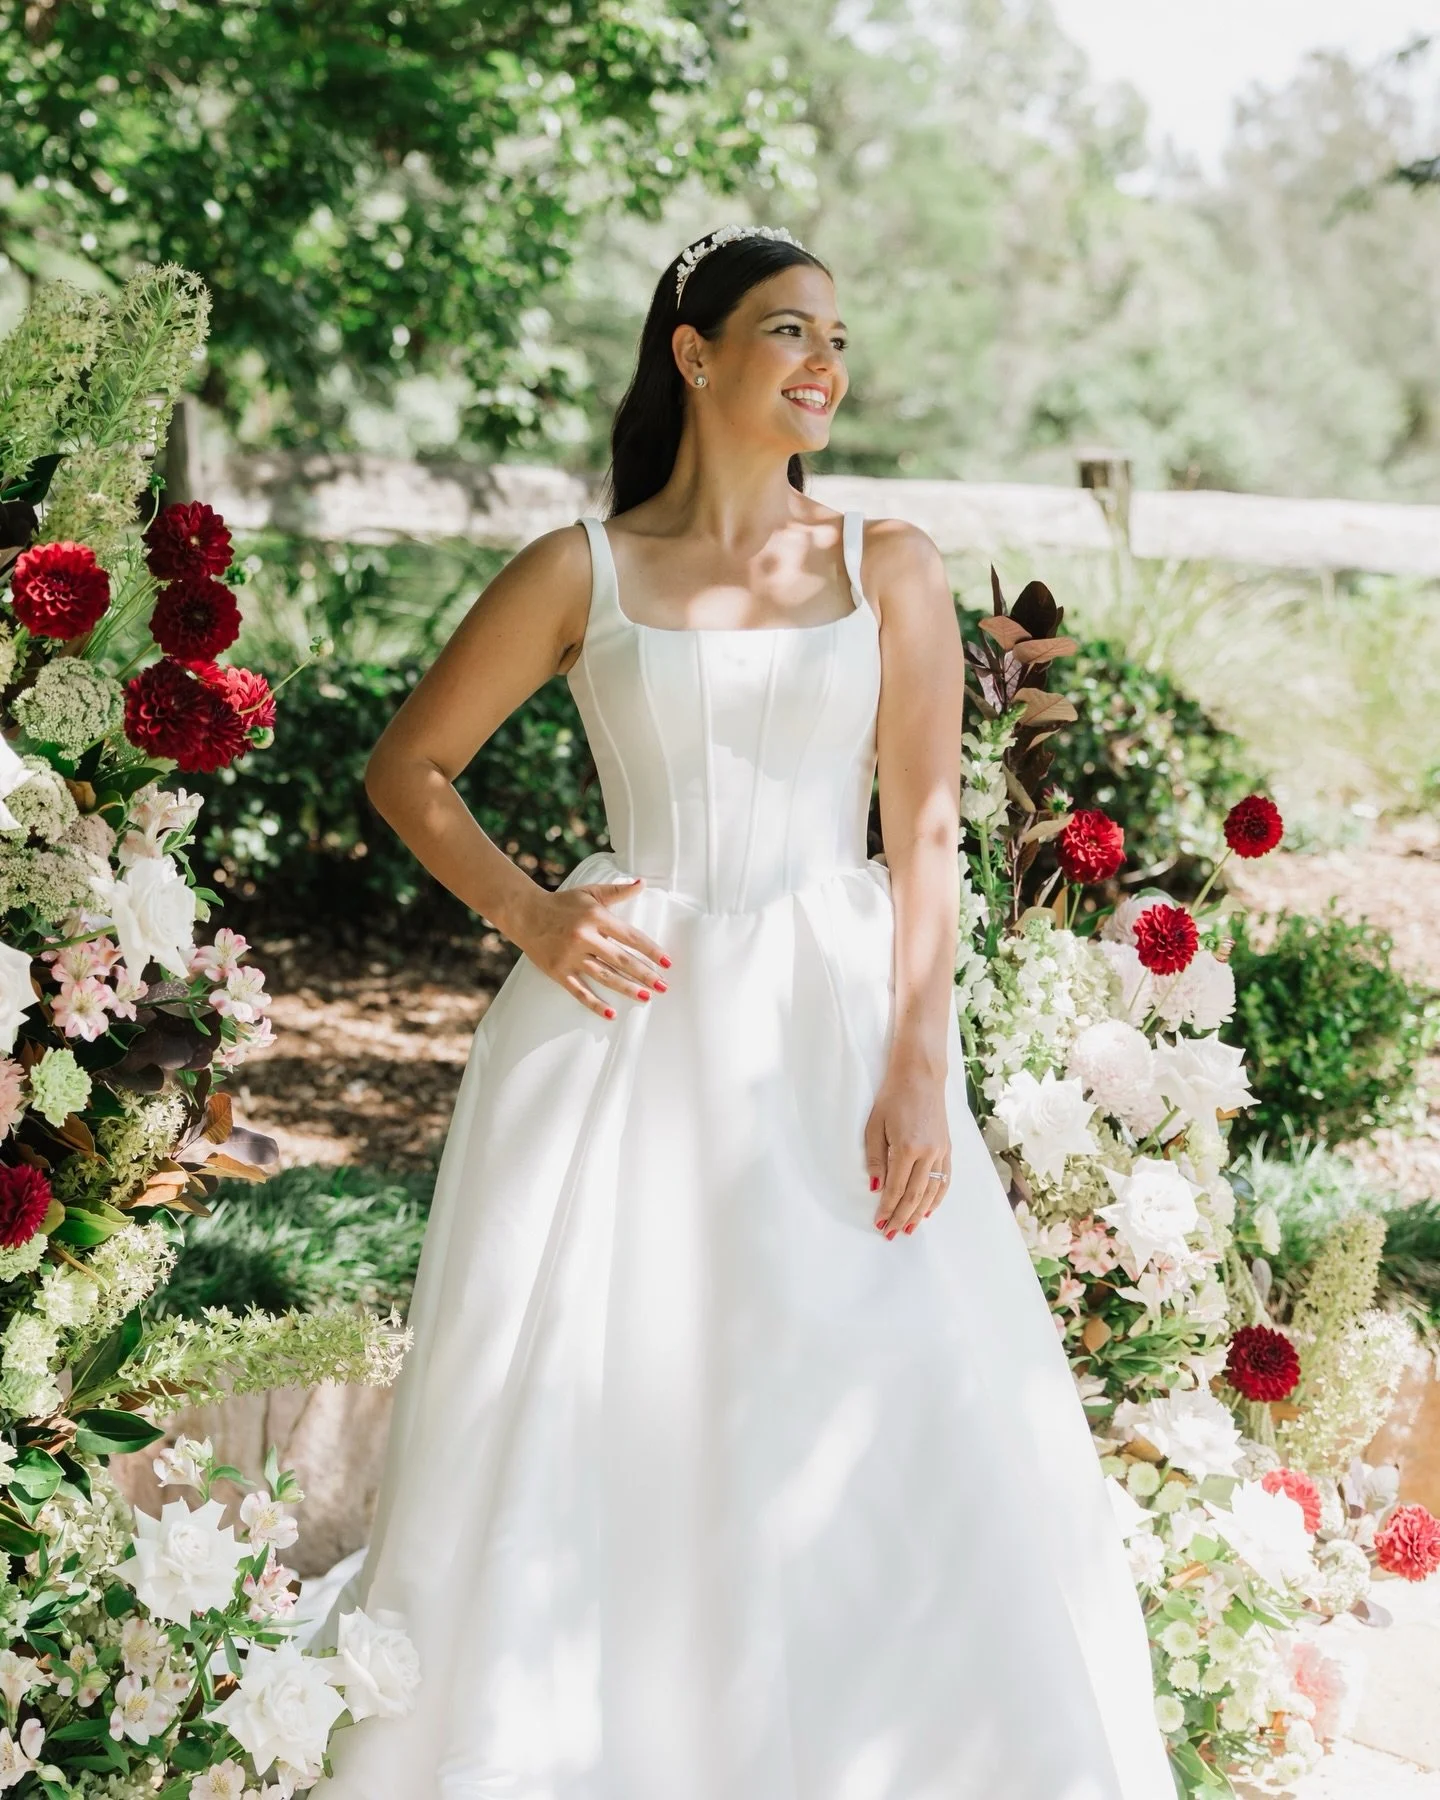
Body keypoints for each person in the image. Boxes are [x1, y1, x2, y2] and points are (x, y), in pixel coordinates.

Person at [316, 225, 1175, 1799]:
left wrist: (922, 1067)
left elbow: (921, 832)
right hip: (615, 1039)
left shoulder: (884, 566)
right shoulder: (584, 567)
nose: (825, 362)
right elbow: (407, 770)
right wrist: (533, 911)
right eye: (787, 330)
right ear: (695, 354)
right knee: (599, 1401)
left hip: (835, 1033)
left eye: (837, 336)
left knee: (877, 1393)